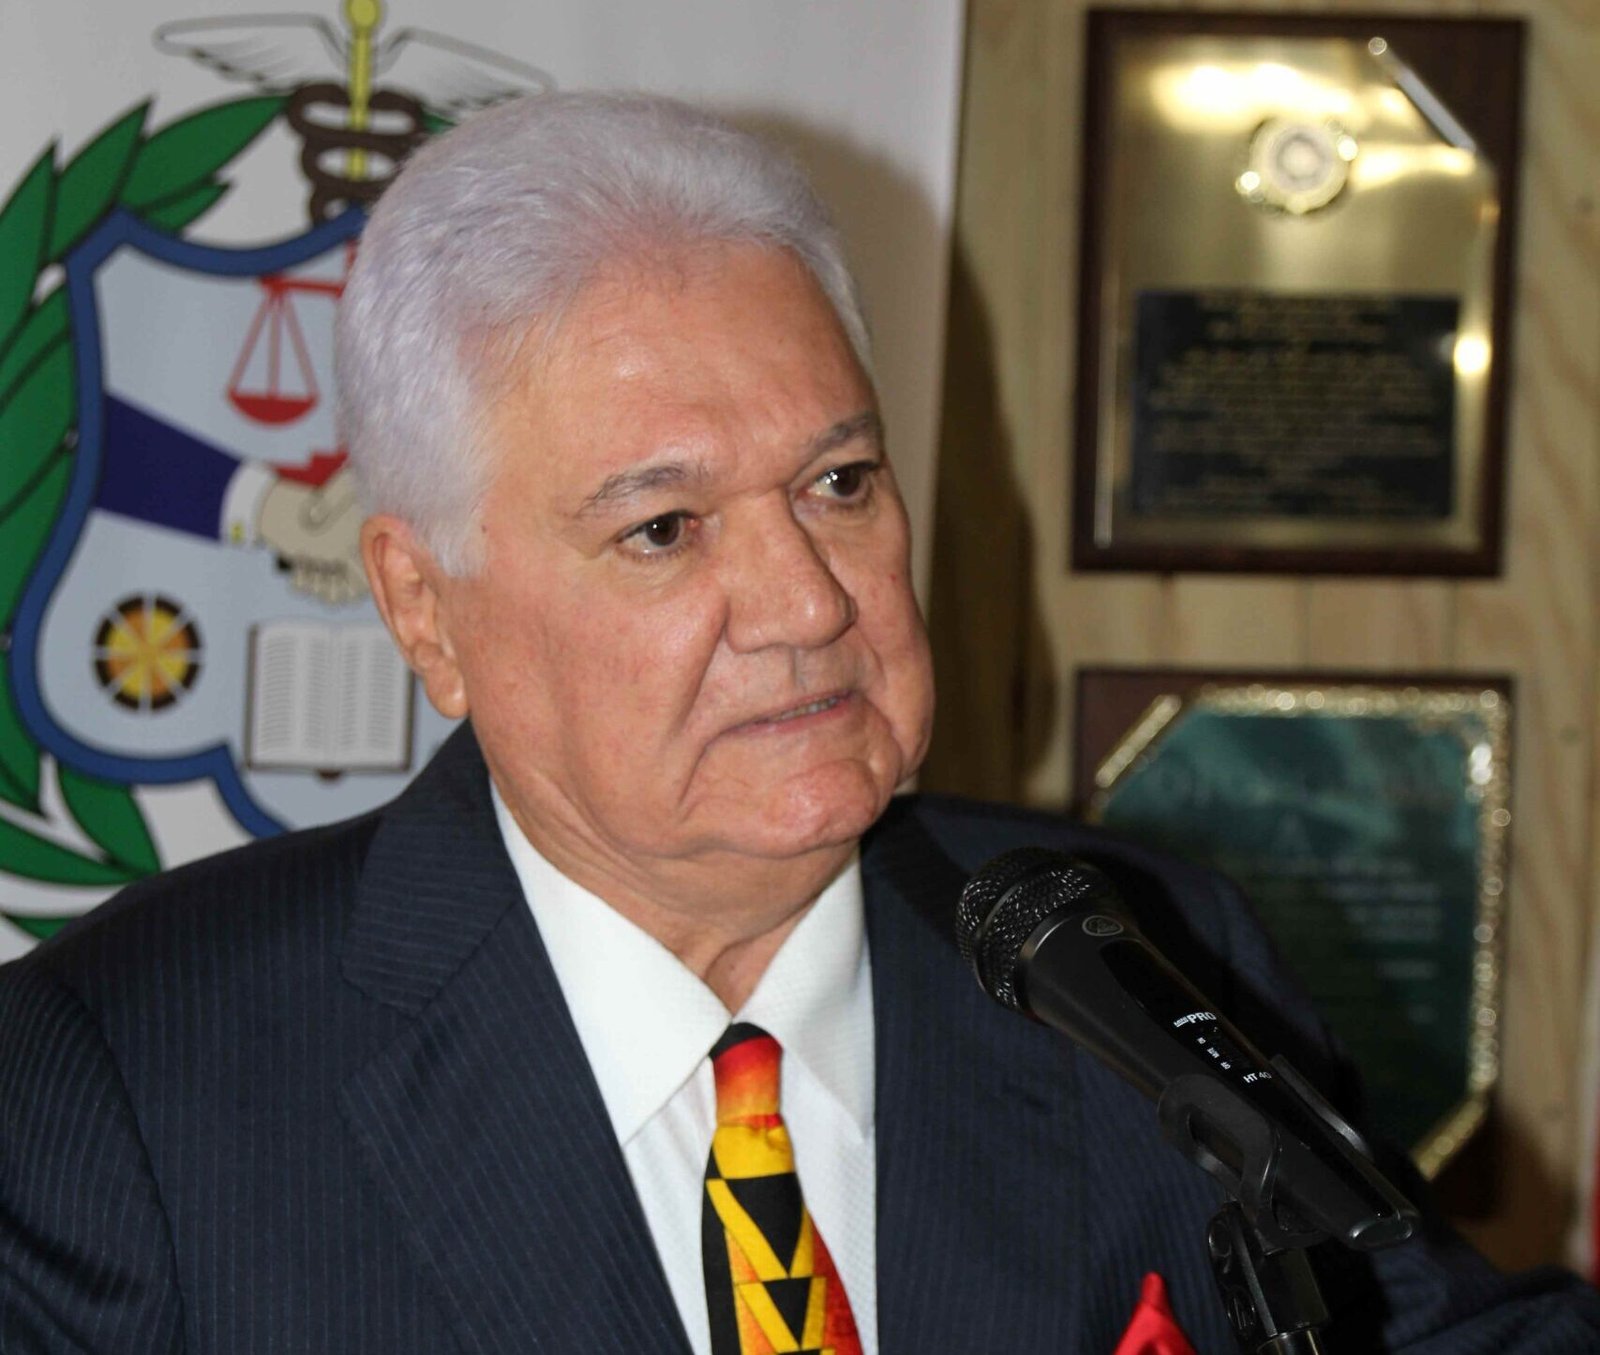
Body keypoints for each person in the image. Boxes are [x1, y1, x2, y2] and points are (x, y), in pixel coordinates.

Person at [1, 91, 1595, 1355]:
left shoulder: (1127, 950)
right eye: (664, 529)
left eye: (839, 483)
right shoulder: (122, 1087)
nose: (807, 603)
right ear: (427, 611)